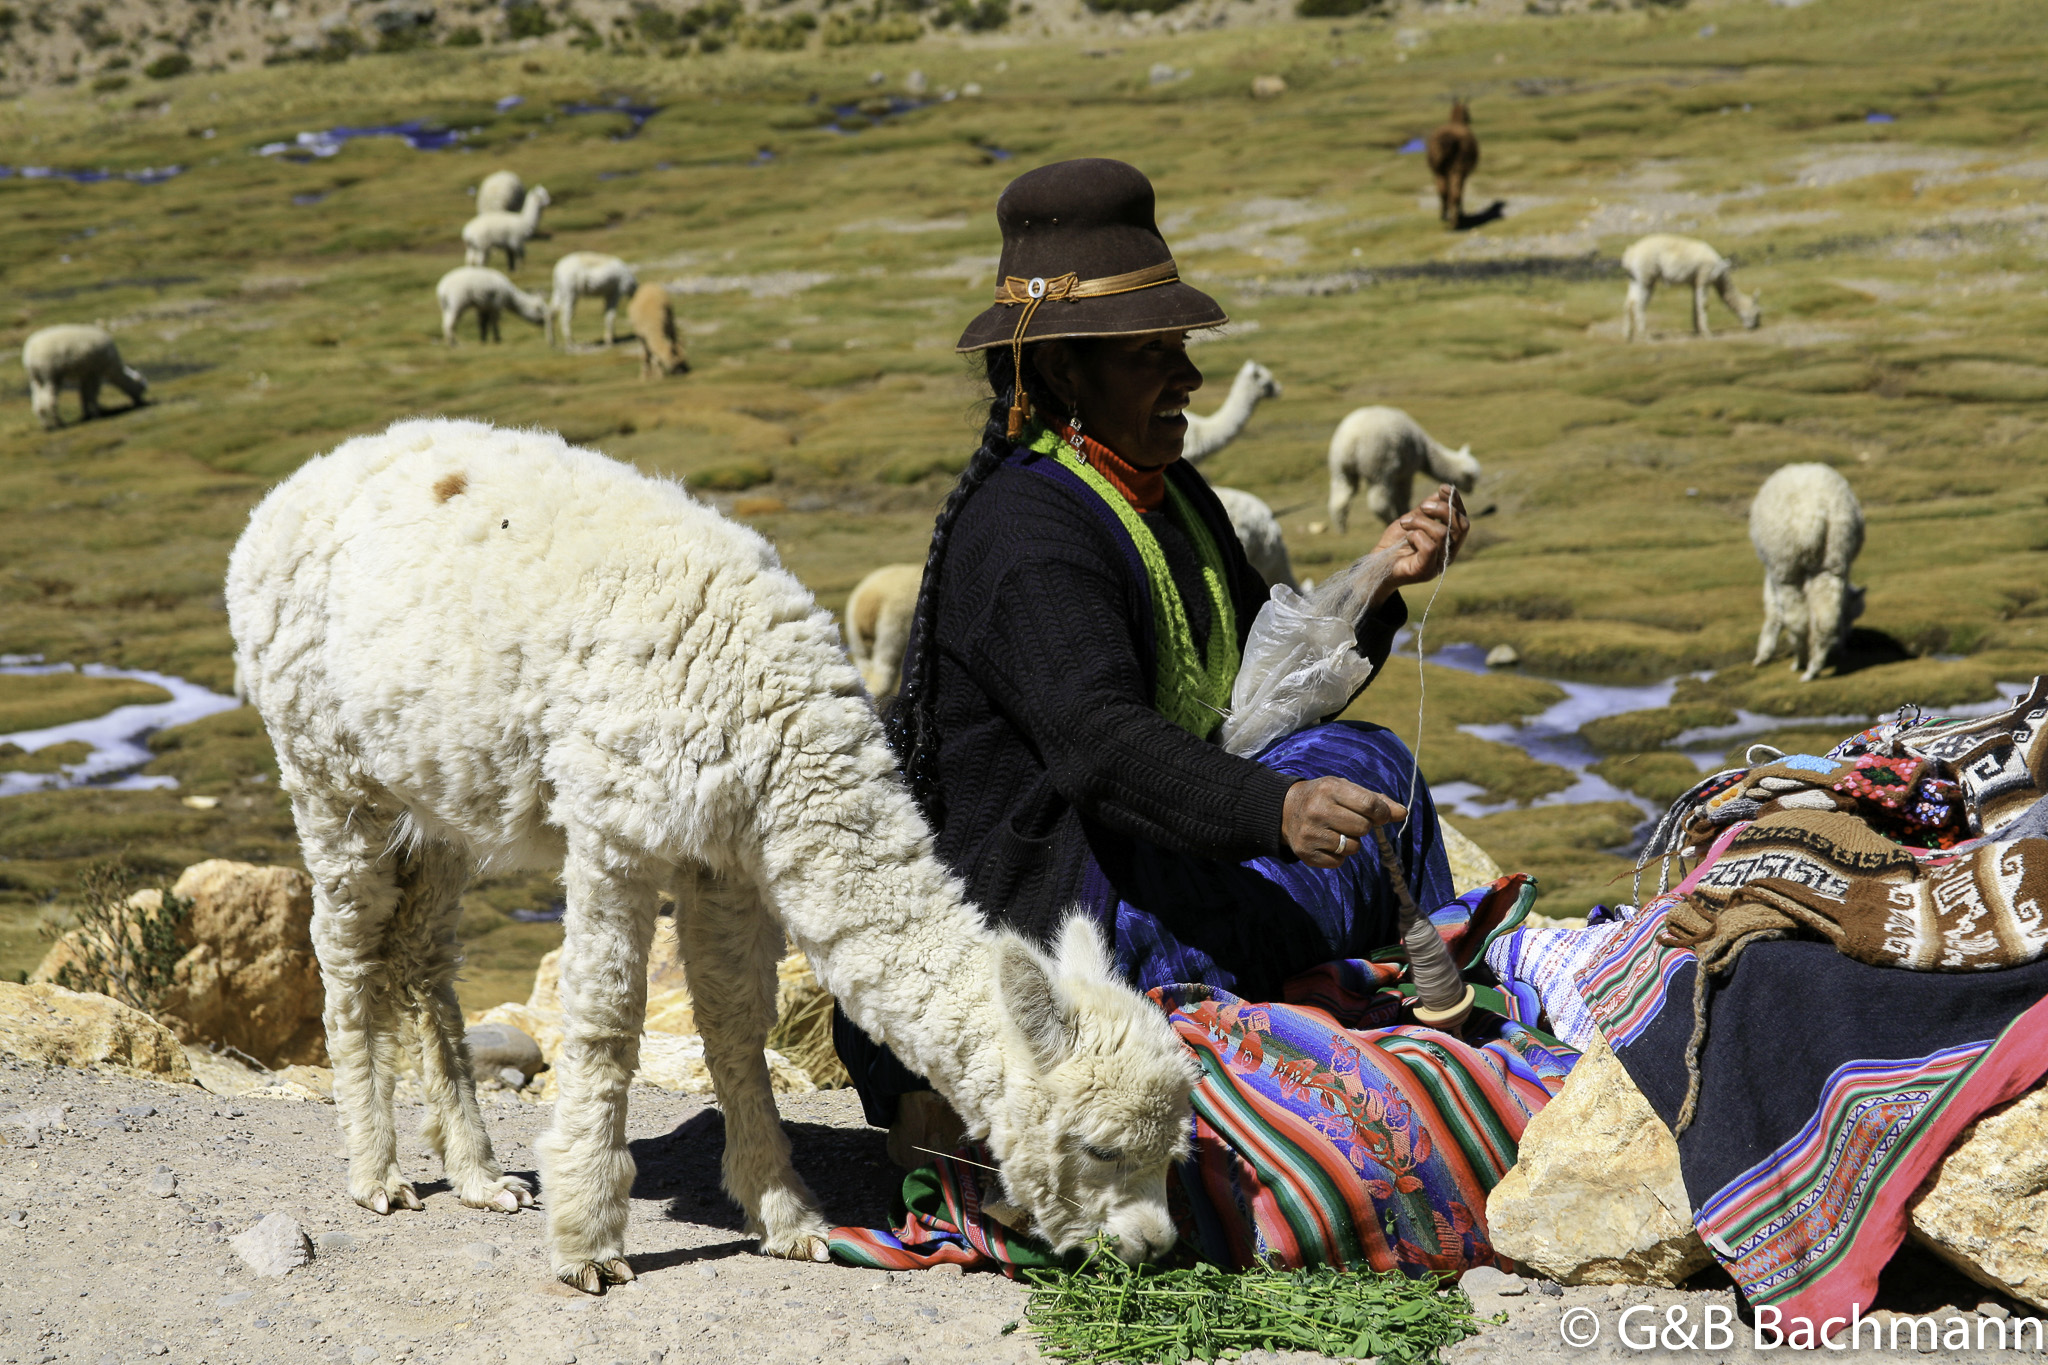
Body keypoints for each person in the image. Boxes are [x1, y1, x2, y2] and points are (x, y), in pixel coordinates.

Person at [834, 157, 1471, 1145]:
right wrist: (1276, 809)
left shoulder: (1168, 496)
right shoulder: (1025, 531)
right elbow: (1097, 743)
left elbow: (1267, 686)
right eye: (1150, 354)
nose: (1187, 377)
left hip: (1140, 862)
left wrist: (1378, 585)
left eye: (1179, 346)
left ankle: (1413, 1025)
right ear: (1056, 370)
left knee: (1377, 766)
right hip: (1053, 933)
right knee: (1323, 844)